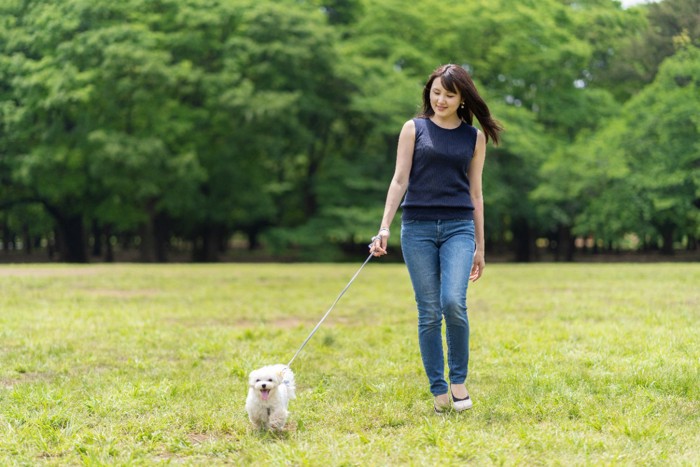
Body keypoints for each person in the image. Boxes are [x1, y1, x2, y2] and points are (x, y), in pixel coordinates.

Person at [369, 64, 502, 413]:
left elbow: (476, 193)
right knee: (428, 312)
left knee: (453, 303)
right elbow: (399, 181)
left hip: (460, 227)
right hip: (418, 228)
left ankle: (458, 380)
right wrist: (384, 227)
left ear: (463, 99)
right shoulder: (414, 129)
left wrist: (480, 247)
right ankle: (439, 390)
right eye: (436, 92)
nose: (440, 99)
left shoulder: (474, 138)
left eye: (449, 94)